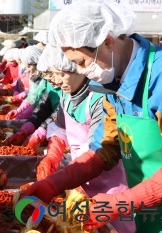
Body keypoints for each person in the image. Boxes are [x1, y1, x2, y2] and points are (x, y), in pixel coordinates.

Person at [23, 0, 162, 232]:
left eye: (81, 63)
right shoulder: (111, 82)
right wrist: (55, 182)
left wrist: (120, 203)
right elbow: (106, 148)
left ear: (108, 42)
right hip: (149, 211)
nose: (82, 72)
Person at [35, 45, 131, 232]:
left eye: (62, 74)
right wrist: (53, 155)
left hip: (109, 182)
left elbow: (101, 146)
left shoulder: (98, 97)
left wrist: (68, 179)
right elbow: (61, 127)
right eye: (53, 75)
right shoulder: (66, 95)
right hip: (79, 175)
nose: (57, 81)